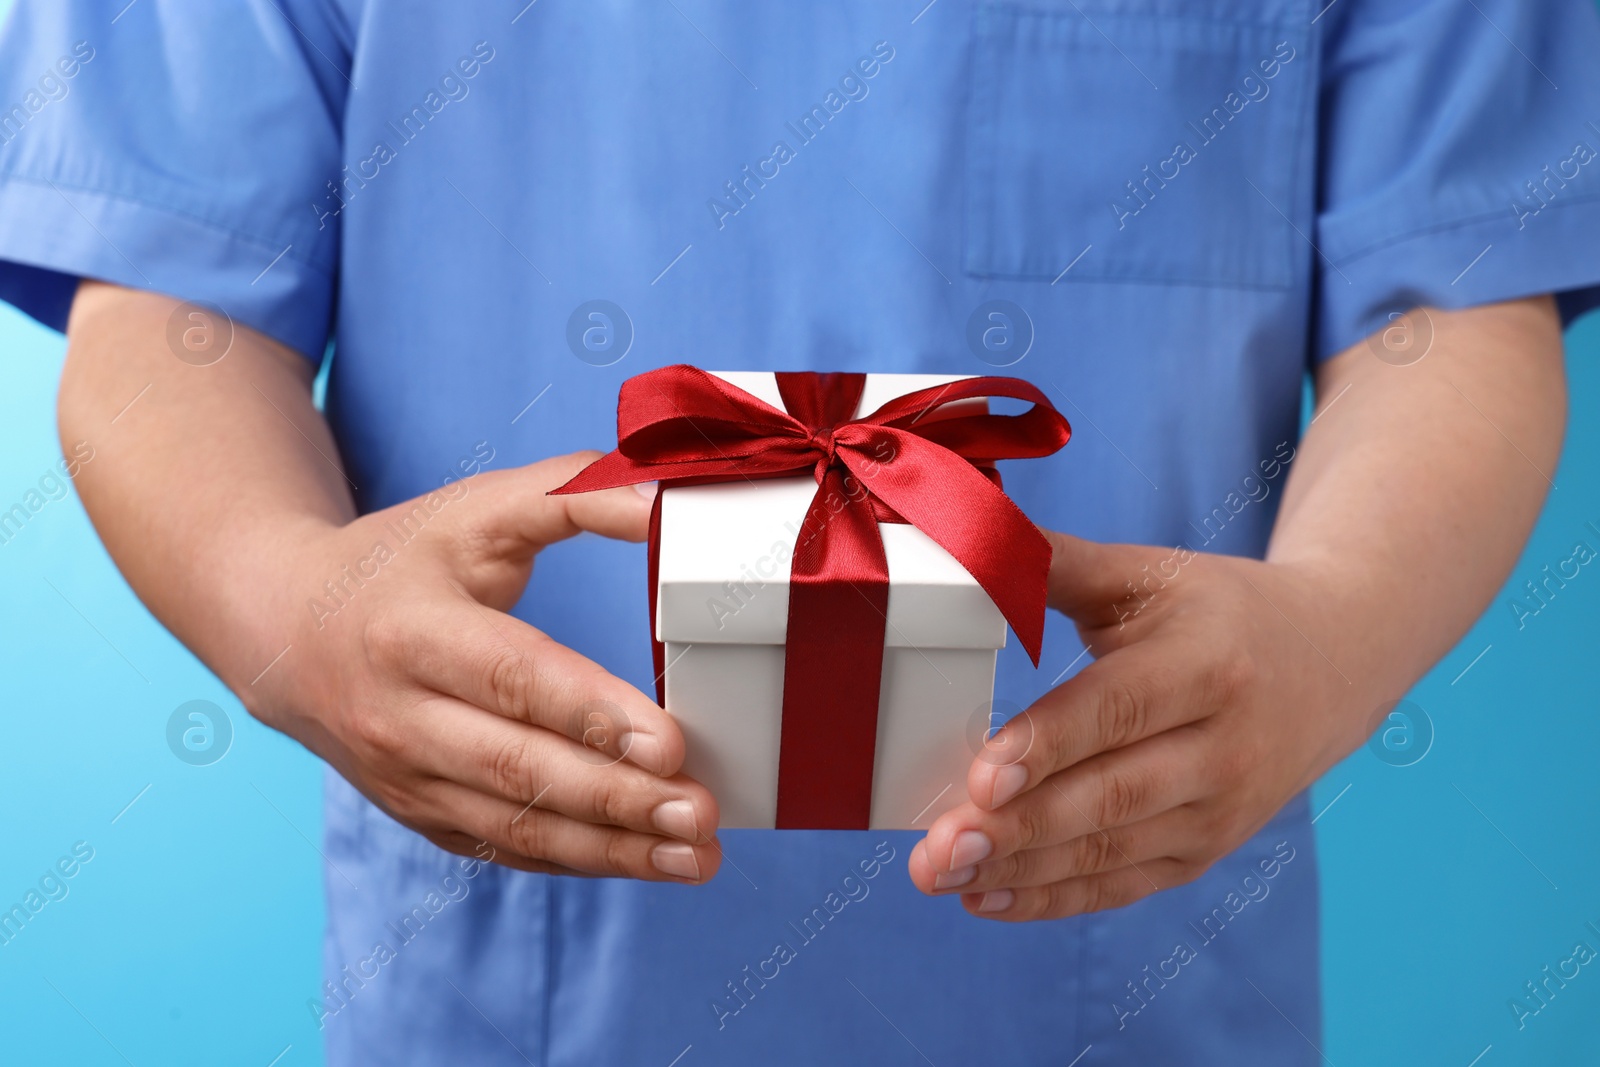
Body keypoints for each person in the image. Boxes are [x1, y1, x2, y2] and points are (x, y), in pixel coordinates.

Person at [2, 1, 1598, 1063]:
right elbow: (170, 301)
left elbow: (1453, 299)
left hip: (1137, 981)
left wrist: (1340, 628)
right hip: (502, 1001)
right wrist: (289, 598)